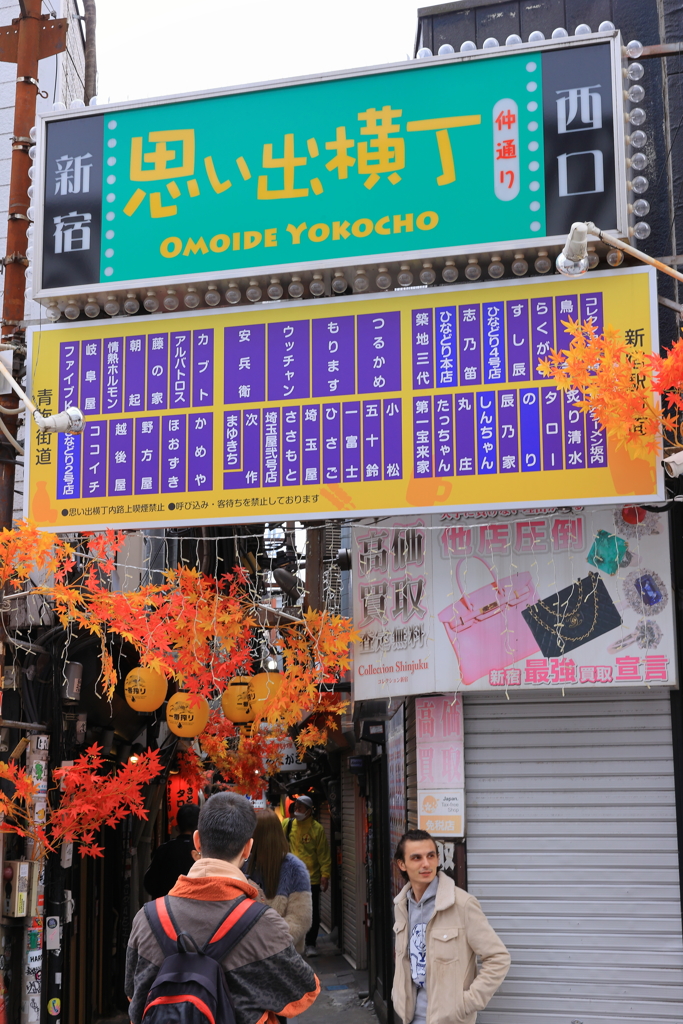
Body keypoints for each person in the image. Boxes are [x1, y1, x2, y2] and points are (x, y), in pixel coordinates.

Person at [126, 791, 320, 1024]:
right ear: (248, 849)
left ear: (197, 841)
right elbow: (304, 992)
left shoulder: (147, 918)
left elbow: (133, 993)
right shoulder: (264, 922)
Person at [392, 829, 510, 1024]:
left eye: (431, 856)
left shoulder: (462, 904)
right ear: (402, 864)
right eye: (416, 858)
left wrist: (465, 1003)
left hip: (449, 1019)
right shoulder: (402, 906)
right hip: (410, 1016)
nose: (426, 864)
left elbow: (498, 957)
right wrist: (398, 996)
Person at [247, 808, 312, 951]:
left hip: (284, 953)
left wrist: (268, 942)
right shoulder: (245, 865)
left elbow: (300, 920)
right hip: (252, 954)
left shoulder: (294, 868)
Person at [283, 795, 331, 957]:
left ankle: (311, 944)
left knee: (311, 912)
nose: (297, 810)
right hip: (290, 877)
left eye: (300, 808)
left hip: (312, 878)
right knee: (291, 910)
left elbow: (323, 854)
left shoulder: (316, 829)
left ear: (309, 811)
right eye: (296, 807)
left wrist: (325, 874)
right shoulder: (288, 825)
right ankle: (294, 942)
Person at [143, 803, 200, 899]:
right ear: (199, 826)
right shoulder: (205, 851)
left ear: (177, 827)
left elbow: (150, 884)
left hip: (166, 906)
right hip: (197, 907)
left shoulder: (164, 849)